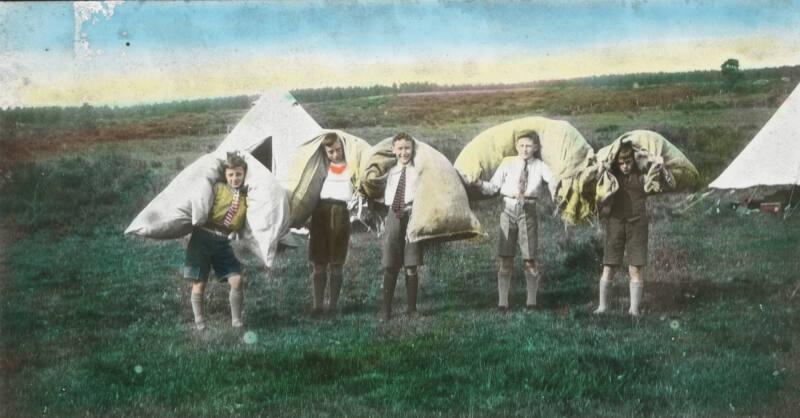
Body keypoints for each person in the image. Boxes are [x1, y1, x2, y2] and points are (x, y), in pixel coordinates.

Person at [475, 133, 555, 312]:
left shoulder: (541, 166)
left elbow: (553, 182)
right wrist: (478, 183)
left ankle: (531, 302)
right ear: (516, 147)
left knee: (529, 258)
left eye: (529, 146)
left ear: (536, 147)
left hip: (528, 209)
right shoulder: (508, 163)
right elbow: (493, 186)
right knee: (506, 257)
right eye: (521, 146)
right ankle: (502, 303)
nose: (525, 149)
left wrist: (559, 191)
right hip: (508, 208)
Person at [593, 142, 675, 316]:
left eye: (628, 162)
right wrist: (602, 167)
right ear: (616, 162)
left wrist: (660, 166)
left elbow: (669, 185)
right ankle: (602, 307)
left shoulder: (643, 177)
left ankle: (634, 310)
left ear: (634, 160)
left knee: (635, 267)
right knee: (609, 265)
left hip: (637, 224)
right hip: (615, 222)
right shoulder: (611, 176)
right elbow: (596, 186)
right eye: (621, 163)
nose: (625, 166)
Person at [184, 152, 249, 330]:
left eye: (238, 174)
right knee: (200, 282)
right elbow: (201, 202)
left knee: (237, 279)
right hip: (202, 237)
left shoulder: (245, 197)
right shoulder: (217, 188)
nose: (235, 178)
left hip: (222, 242)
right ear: (225, 175)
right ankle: (200, 323)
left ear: (244, 175)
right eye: (231, 174)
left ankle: (236, 321)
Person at [309, 133, 354, 317]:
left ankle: (333, 305)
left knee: (336, 261)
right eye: (330, 152)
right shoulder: (322, 166)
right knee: (319, 261)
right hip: (320, 212)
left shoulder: (352, 166)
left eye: (337, 150)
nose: (335, 155)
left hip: (340, 212)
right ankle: (318, 306)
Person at [380, 132, 423, 321]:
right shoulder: (390, 172)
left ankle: (412, 308)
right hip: (394, 214)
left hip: (413, 214)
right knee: (390, 263)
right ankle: (386, 309)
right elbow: (383, 196)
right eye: (400, 149)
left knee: (411, 263)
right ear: (393, 150)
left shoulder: (419, 170)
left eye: (407, 148)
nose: (404, 153)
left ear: (413, 149)